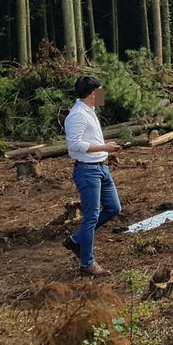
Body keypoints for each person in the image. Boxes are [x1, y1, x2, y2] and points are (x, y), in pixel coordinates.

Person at [63, 75, 122, 276]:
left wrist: (105, 149)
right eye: (101, 90)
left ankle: (76, 240)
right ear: (93, 93)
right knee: (91, 217)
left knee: (114, 207)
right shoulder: (77, 115)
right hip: (88, 171)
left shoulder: (90, 111)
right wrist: (105, 147)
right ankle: (87, 264)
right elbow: (74, 146)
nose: (103, 94)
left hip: (101, 168)